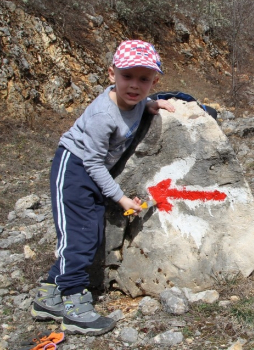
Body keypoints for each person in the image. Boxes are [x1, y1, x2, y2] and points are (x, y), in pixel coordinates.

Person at [30, 40, 175, 336]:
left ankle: (47, 298)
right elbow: (93, 164)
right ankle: (74, 306)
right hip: (74, 170)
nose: (134, 85)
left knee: (89, 236)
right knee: (79, 240)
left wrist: (151, 104)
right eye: (127, 77)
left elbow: (135, 107)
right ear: (112, 74)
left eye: (143, 79)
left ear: (154, 82)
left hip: (91, 173)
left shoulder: (134, 101)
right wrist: (121, 198)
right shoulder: (102, 116)